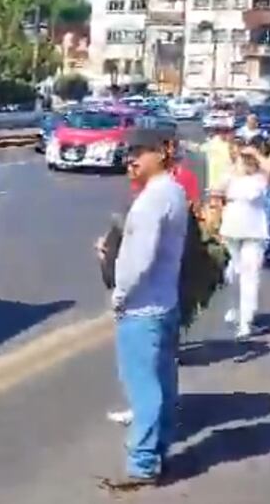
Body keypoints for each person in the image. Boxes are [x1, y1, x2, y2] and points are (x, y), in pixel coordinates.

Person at [100, 127, 187, 491]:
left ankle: (143, 463)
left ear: (163, 153)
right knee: (164, 385)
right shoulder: (175, 192)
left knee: (144, 388)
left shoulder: (153, 199)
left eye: (140, 152)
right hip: (165, 304)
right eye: (128, 152)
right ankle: (159, 452)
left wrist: (120, 294)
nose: (131, 159)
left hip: (143, 308)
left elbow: (140, 258)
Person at [219, 150, 270, 339]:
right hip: (232, 231)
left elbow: (269, 169)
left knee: (250, 276)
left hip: (254, 234)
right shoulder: (230, 178)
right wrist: (231, 171)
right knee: (232, 273)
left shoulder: (259, 180)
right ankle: (235, 309)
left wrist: (256, 154)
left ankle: (246, 321)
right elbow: (216, 188)